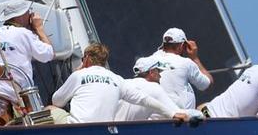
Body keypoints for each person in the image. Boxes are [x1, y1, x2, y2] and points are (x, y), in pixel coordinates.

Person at [51, 44, 188, 124]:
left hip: (76, 129)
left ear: (86, 58)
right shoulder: (117, 79)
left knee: (50, 109)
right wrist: (172, 114)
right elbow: (144, 99)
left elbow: (57, 101)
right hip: (102, 132)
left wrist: (77, 73)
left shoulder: (78, 75)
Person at [0, 0, 55, 99]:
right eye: (28, 11)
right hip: (18, 94)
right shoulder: (23, 34)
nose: (30, 14)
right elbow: (49, 55)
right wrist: (39, 29)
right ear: (20, 16)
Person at [145, 27, 212, 108]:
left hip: (156, 118)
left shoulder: (148, 62)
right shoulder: (186, 63)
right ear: (182, 46)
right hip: (183, 118)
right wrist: (194, 58)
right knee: (206, 108)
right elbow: (207, 84)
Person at [114, 56, 180, 121]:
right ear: (151, 73)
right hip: (132, 130)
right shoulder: (155, 87)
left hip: (111, 129)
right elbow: (178, 114)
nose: (160, 76)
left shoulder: (124, 83)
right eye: (158, 72)